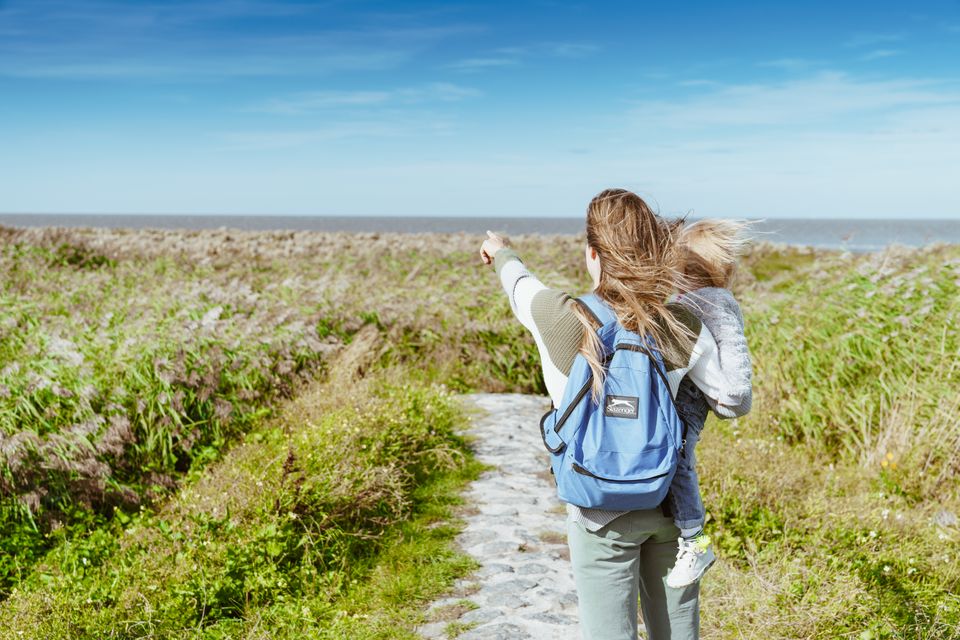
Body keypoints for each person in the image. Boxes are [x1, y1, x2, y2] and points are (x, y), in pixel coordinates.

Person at [479, 188, 740, 640]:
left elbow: (519, 283)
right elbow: (730, 400)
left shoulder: (560, 315)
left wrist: (500, 250)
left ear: (593, 255)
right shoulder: (680, 323)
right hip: (668, 505)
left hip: (598, 514)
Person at [664, 219, 753, 589]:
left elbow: (734, 350)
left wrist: (734, 392)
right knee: (674, 461)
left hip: (689, 403)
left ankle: (695, 541)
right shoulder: (692, 299)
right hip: (680, 398)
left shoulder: (715, 301)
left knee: (680, 463)